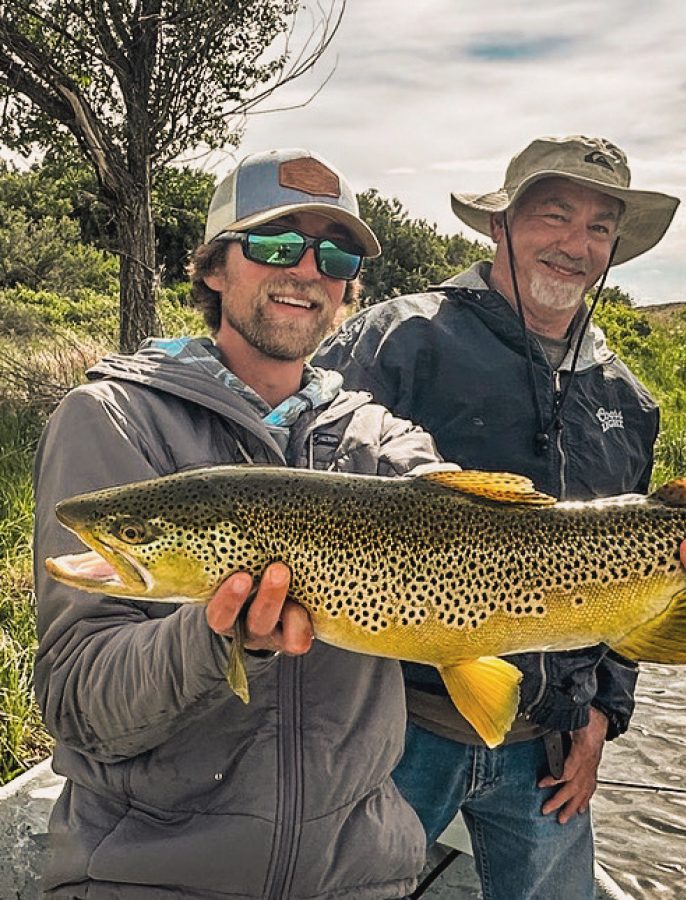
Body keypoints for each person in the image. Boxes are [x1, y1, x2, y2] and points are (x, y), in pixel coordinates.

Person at [313, 135, 686, 899]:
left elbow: (634, 579)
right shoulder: (396, 339)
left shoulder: (627, 399)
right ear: (500, 224)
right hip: (387, 729)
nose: (576, 245)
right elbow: (299, 498)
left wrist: (604, 710)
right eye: (555, 215)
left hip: (547, 746)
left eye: (599, 227)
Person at [33, 149, 444, 899]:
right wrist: (213, 636)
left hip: (357, 879)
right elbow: (79, 701)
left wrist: (679, 542)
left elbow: (487, 520)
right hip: (149, 879)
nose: (308, 270)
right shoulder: (111, 420)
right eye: (276, 244)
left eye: (336, 253)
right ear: (214, 268)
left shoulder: (381, 439)